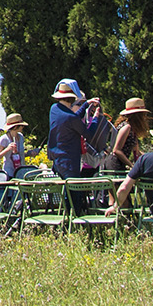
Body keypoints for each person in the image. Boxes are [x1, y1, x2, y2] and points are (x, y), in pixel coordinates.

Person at [47, 80, 102, 211]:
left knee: (66, 193)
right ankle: (73, 223)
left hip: (57, 159)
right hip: (69, 161)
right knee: (73, 196)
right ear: (72, 98)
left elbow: (72, 119)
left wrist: (87, 105)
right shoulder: (71, 118)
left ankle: (67, 222)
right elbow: (88, 134)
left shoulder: (54, 109)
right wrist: (96, 118)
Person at [108, 99, 150, 172]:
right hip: (115, 164)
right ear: (137, 115)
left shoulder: (133, 129)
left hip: (121, 163)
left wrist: (150, 158)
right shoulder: (126, 127)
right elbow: (116, 150)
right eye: (143, 114)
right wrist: (131, 165)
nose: (144, 117)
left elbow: (136, 151)